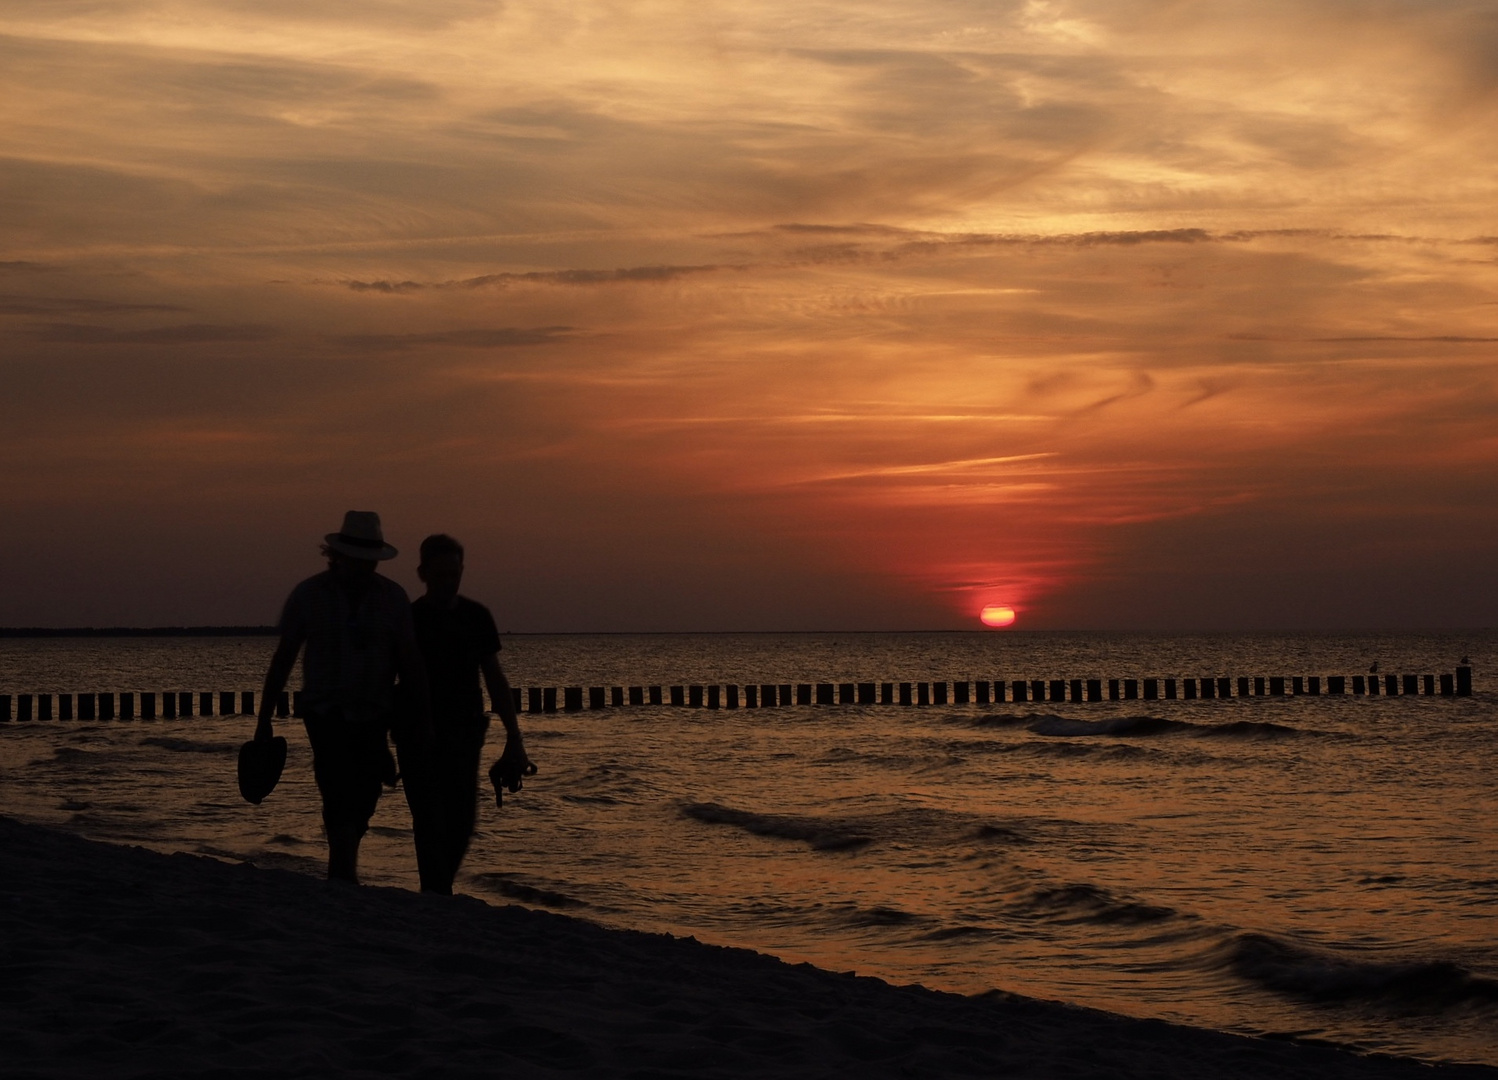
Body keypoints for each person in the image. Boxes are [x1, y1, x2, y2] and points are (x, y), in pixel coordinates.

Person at [252, 511, 430, 884]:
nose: (364, 568)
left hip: (374, 712)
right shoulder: (309, 594)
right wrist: (264, 717)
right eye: (357, 559)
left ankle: (344, 857)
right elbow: (284, 657)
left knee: (364, 793)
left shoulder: (392, 598)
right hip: (324, 710)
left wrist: (418, 712)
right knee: (335, 784)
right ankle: (343, 871)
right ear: (338, 555)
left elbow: (409, 660)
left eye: (370, 561)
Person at [394, 533, 529, 895]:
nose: (448, 581)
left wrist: (514, 738)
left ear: (462, 570)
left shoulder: (476, 616)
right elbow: (388, 677)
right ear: (422, 573)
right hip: (416, 734)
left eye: (454, 573)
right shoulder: (410, 618)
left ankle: (437, 890)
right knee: (427, 819)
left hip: (464, 733)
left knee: (462, 821)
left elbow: (495, 678)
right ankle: (435, 894)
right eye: (440, 574)